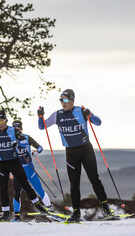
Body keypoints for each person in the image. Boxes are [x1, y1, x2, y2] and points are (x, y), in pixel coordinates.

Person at [37, 89, 114, 223]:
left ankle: (106, 208)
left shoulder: (80, 111)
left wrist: (89, 114)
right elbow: (42, 127)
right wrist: (40, 117)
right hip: (71, 153)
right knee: (74, 184)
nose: (63, 103)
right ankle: (76, 213)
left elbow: (98, 122)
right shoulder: (57, 115)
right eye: (61, 100)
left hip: (86, 150)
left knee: (94, 179)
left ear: (72, 100)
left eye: (65, 100)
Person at [0, 110, 48, 221]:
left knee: (25, 184)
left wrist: (18, 142)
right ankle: (6, 213)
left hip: (14, 162)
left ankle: (38, 206)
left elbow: (24, 142)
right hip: (2, 165)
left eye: (2, 121)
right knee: (3, 189)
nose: (0, 124)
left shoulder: (13, 130)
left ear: (6, 121)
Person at [11, 119, 53, 222]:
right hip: (18, 170)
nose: (17, 131)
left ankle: (50, 208)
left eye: (19, 129)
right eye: (15, 129)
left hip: (29, 168)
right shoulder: (9, 140)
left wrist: (36, 152)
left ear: (21, 129)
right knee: (17, 192)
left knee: (38, 189)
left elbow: (40, 147)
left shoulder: (27, 138)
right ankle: (16, 216)